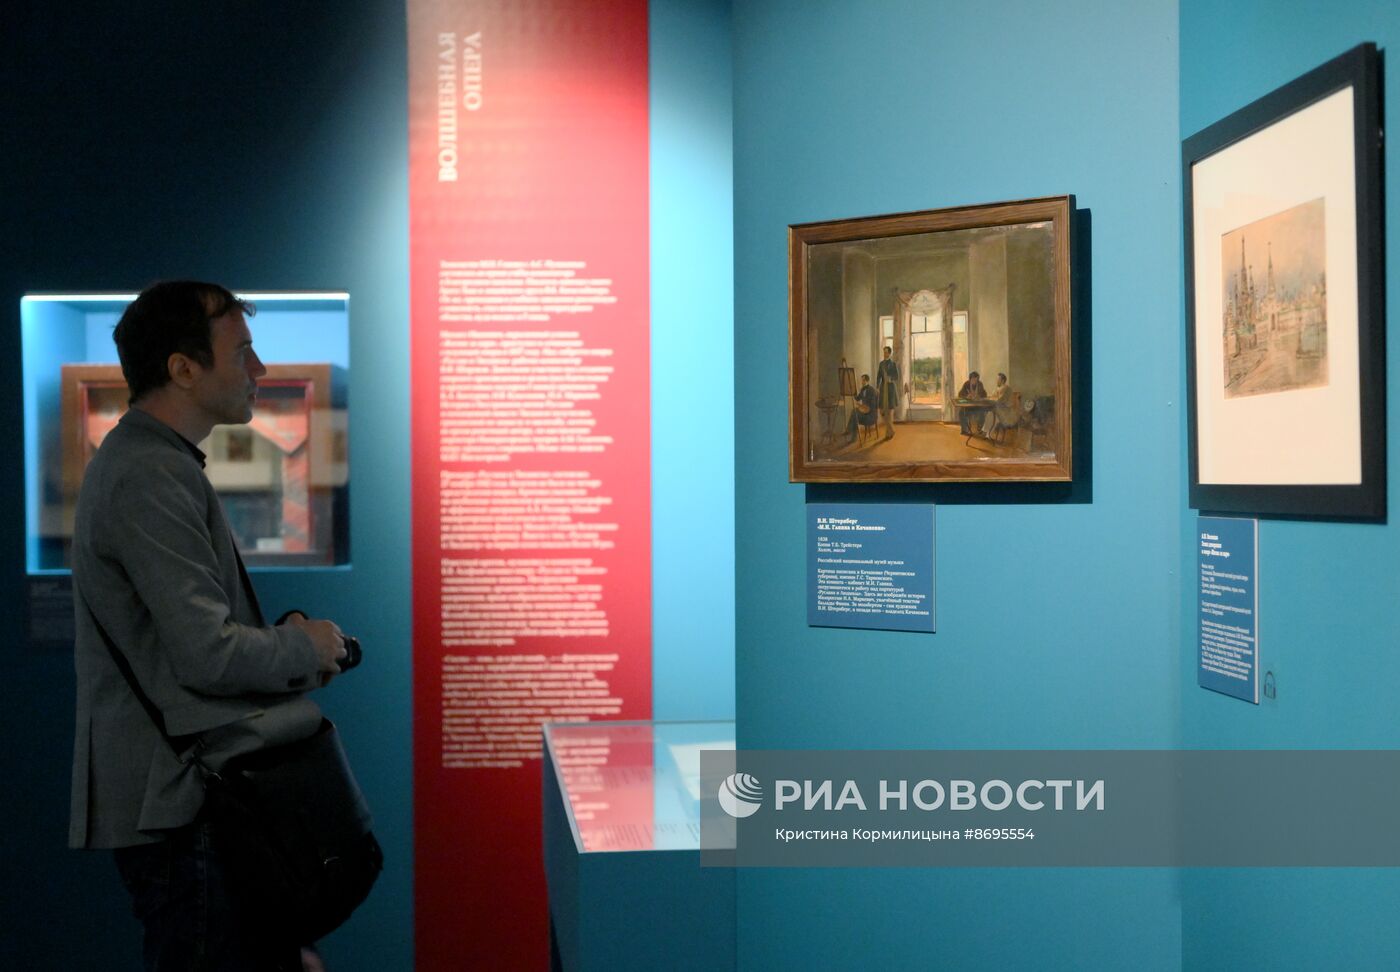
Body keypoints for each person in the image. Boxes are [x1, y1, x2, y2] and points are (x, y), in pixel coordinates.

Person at [69, 281, 349, 971]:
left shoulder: (156, 463)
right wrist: (302, 645)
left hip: (191, 800)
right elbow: (207, 654)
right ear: (183, 368)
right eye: (242, 351)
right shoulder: (149, 473)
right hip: (184, 804)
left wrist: (288, 645)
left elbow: (189, 642)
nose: (259, 369)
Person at [875, 345, 904, 440]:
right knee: (882, 411)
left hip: (891, 389)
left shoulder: (893, 364)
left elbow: (897, 376)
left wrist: (890, 379)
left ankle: (888, 433)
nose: (885, 354)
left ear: (889, 353)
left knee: (890, 412)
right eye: (884, 352)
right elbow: (878, 376)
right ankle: (891, 429)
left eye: (886, 352)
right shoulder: (881, 364)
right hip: (883, 388)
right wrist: (877, 387)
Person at [845, 373, 879, 442]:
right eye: (861, 381)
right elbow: (857, 398)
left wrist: (861, 407)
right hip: (865, 412)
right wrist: (853, 392)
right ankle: (852, 435)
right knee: (854, 413)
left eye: (863, 380)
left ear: (867, 381)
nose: (862, 382)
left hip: (871, 415)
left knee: (855, 415)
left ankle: (851, 433)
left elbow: (872, 406)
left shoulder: (872, 390)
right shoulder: (862, 390)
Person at [983, 371, 1016, 438]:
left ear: (1002, 381)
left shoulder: (1005, 388)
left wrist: (991, 399)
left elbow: (999, 400)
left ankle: (988, 433)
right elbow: (993, 397)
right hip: (1001, 409)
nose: (997, 381)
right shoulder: (999, 388)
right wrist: (989, 398)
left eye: (998, 379)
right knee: (990, 413)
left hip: (1006, 411)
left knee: (992, 414)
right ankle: (987, 433)